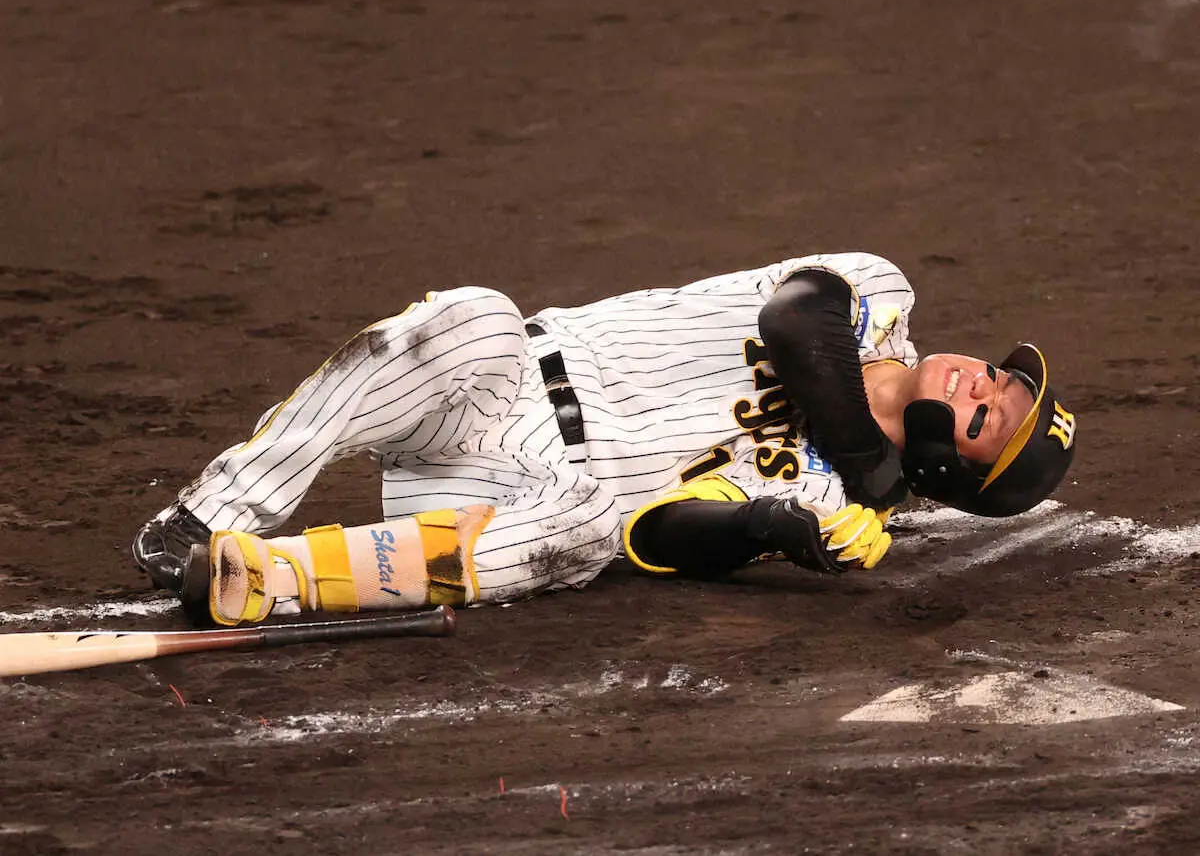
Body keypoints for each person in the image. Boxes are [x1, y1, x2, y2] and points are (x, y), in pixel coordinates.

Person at [131, 252, 1077, 626]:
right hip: (490, 384)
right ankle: (203, 516)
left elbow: (655, 534)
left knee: (587, 529)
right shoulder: (879, 295)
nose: (978, 381)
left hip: (509, 511)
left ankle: (268, 579)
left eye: (987, 415)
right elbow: (796, 321)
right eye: (997, 376)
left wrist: (763, 526)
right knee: (474, 313)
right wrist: (869, 464)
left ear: (951, 468)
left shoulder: (831, 507)